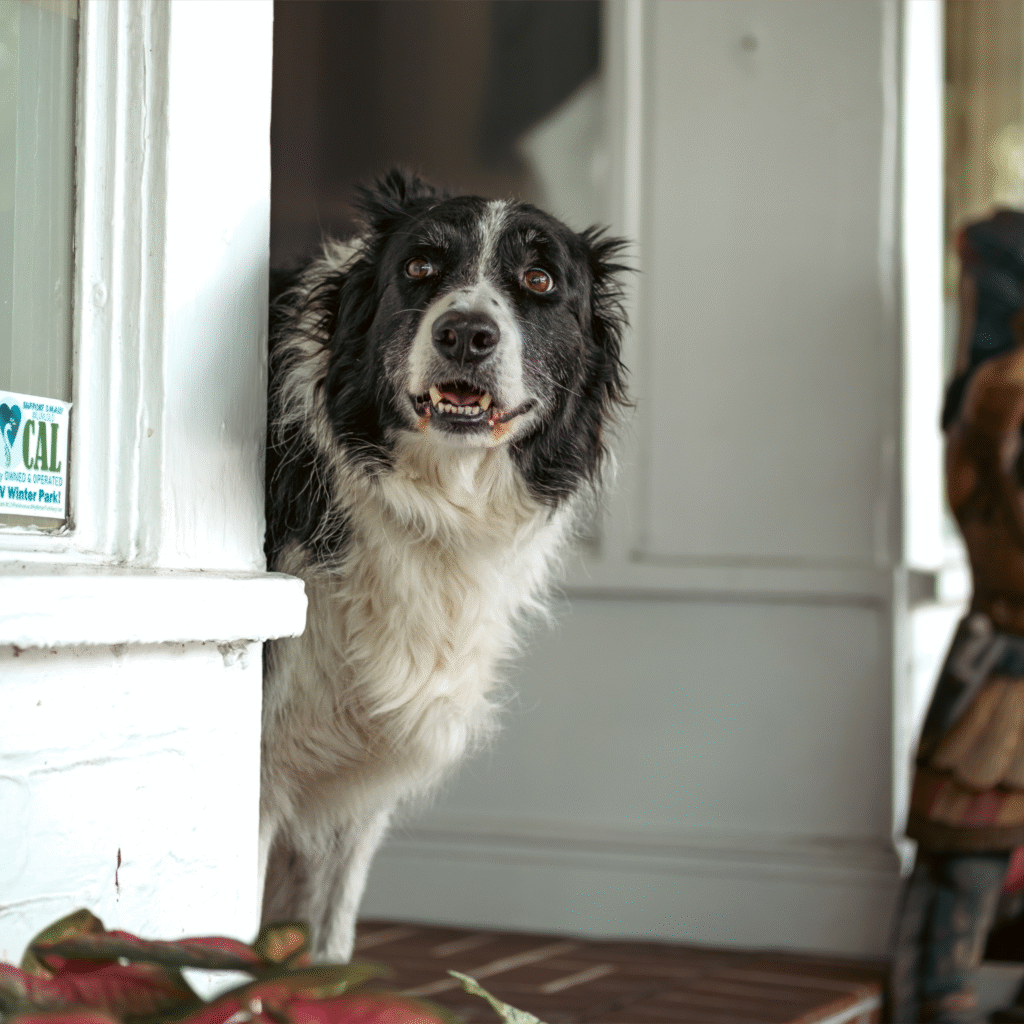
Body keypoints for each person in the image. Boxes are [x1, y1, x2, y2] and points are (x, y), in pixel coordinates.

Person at [890, 209, 1024, 1024]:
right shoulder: (1004, 389)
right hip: (1006, 665)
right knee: (965, 852)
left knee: (968, 853)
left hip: (996, 650)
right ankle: (941, 1001)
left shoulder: (990, 384)